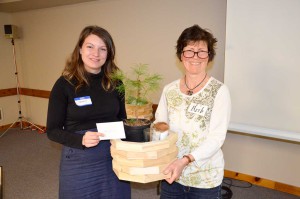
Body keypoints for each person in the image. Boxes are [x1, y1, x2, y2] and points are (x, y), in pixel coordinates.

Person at [46, 25, 131, 199]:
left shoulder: (116, 83)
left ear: (108, 54)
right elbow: (52, 131)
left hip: (113, 155)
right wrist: (80, 139)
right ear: (80, 49)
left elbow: (123, 119)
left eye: (102, 49)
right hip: (80, 156)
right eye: (90, 46)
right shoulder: (64, 84)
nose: (96, 54)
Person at [154, 24, 231, 199]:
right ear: (181, 55)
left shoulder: (219, 91)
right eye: (189, 51)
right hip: (172, 172)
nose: (195, 57)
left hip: (205, 178)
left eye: (202, 51)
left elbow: (216, 137)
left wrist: (186, 160)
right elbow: (160, 125)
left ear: (209, 56)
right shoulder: (169, 90)